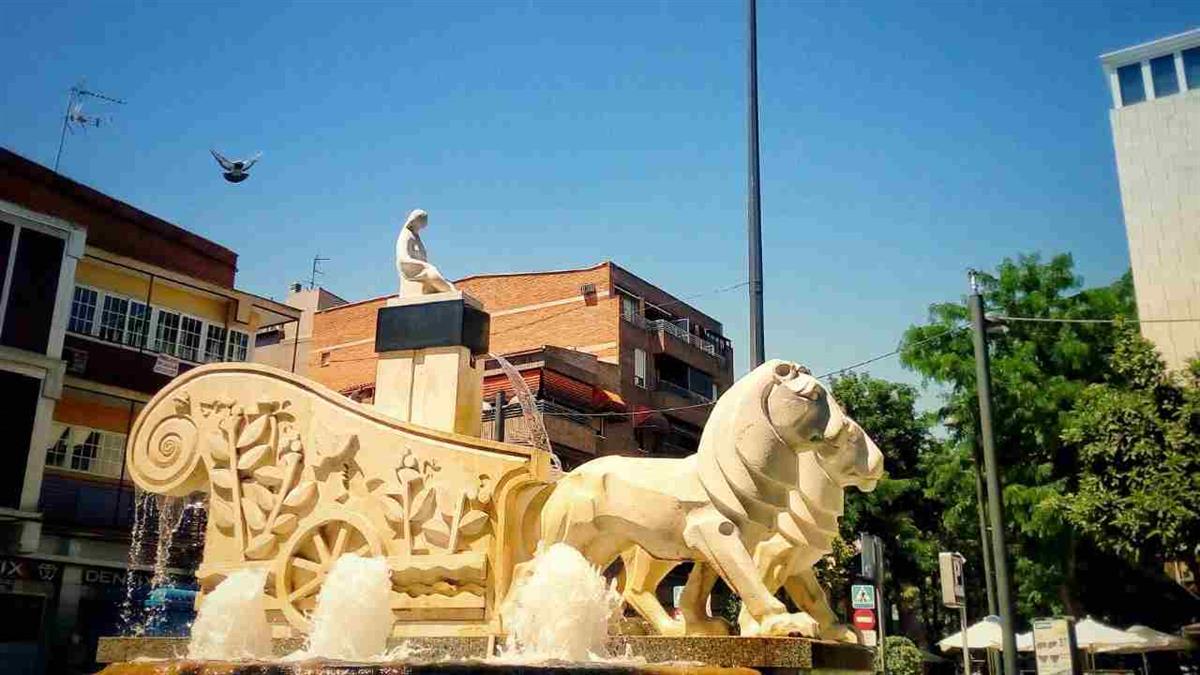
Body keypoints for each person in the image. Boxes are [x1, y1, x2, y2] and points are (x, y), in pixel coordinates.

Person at [395, 209, 455, 297]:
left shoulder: (415, 236)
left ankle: (451, 292)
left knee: (444, 281)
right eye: (423, 221)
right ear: (415, 220)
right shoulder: (405, 235)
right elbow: (402, 259)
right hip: (410, 269)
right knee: (432, 273)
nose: (424, 225)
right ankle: (451, 294)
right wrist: (425, 265)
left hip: (420, 268)